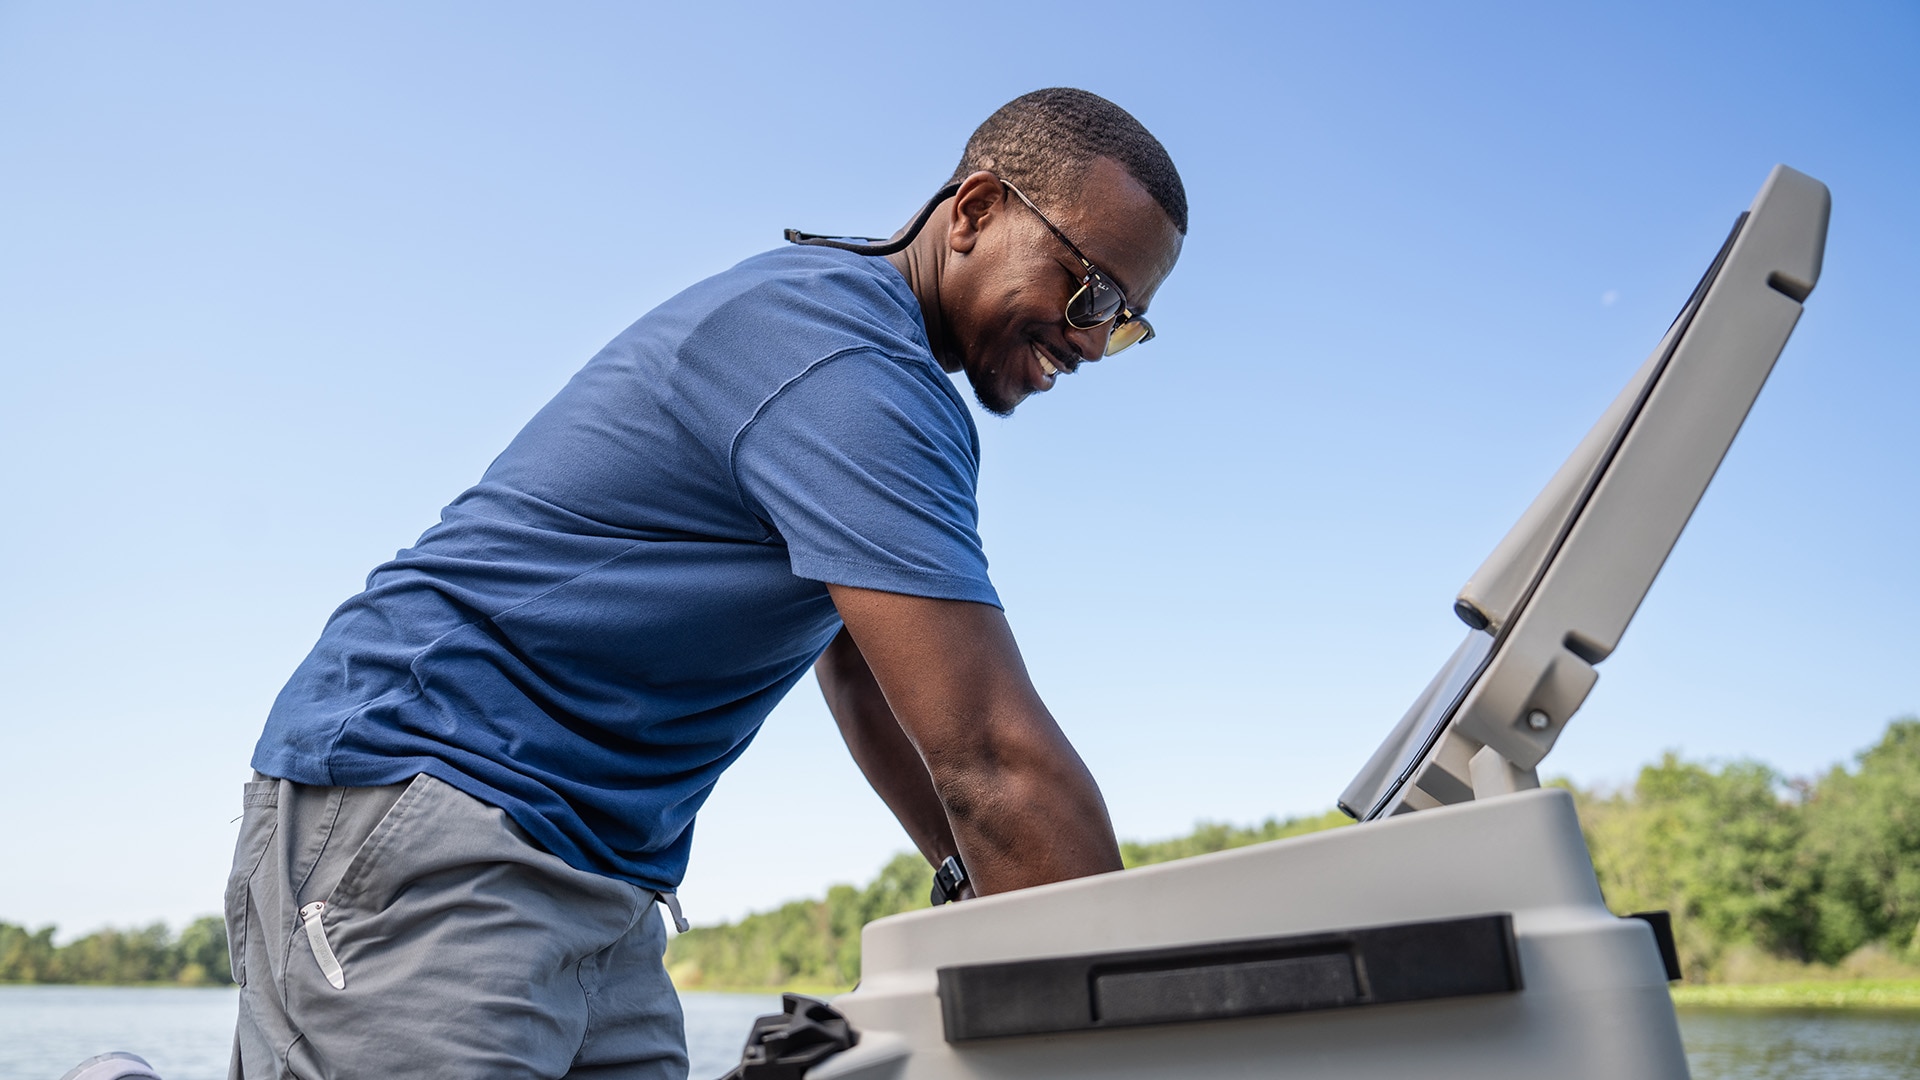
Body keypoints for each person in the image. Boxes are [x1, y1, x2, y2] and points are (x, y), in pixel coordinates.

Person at [224, 87, 1187, 1079]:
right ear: (976, 208)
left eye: (1124, 324)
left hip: (606, 876)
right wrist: (1141, 1038)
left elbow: (860, 674)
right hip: (437, 803)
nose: (1089, 340)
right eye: (1089, 291)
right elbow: (989, 754)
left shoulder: (866, 369)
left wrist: (965, 874)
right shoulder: (846, 362)